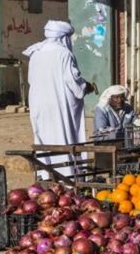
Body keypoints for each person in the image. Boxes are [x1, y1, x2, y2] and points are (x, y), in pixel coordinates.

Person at [23, 21, 95, 178]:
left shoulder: (36, 52)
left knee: (45, 138)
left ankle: (46, 175)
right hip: (60, 106)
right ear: (64, 37)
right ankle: (67, 175)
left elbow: (31, 80)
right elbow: (73, 82)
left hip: (39, 105)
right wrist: (86, 87)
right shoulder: (64, 54)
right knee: (63, 136)